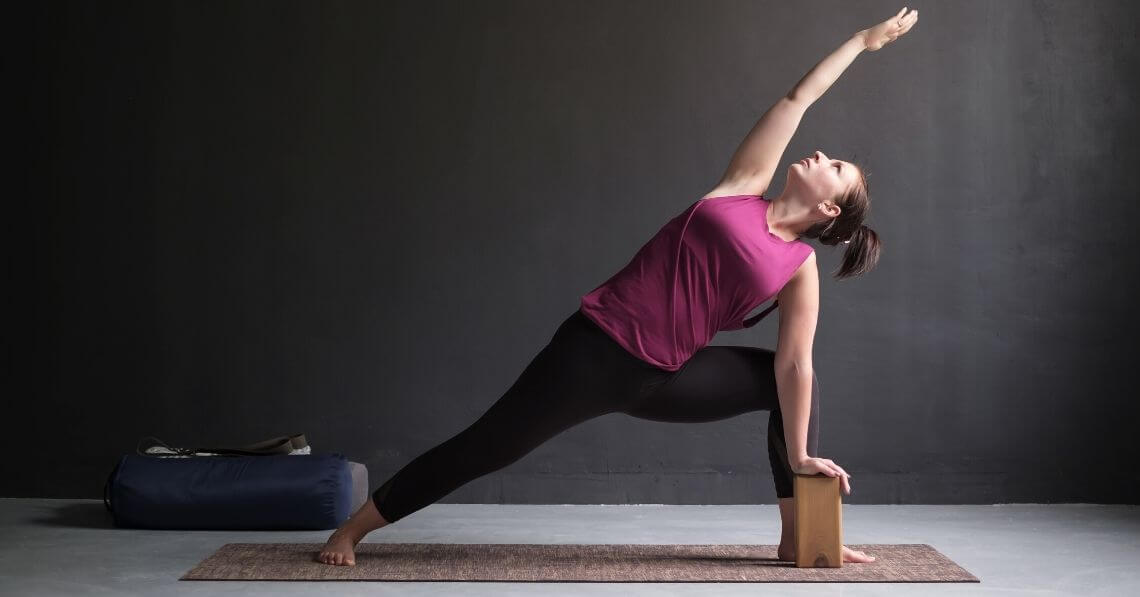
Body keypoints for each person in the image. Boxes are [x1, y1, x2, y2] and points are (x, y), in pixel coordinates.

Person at [319, 6, 918, 567]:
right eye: (833, 155)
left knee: (781, 388)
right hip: (592, 352)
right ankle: (352, 529)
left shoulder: (798, 268)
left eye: (835, 167)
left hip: (663, 379)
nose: (821, 154)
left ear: (831, 212)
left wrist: (799, 455)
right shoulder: (743, 185)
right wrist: (862, 44)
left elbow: (795, 366)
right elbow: (798, 97)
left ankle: (801, 540)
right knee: (488, 446)